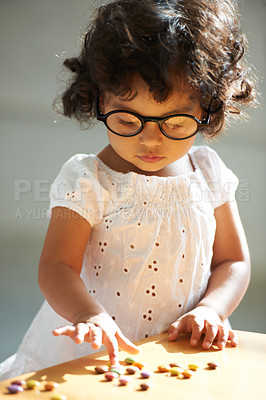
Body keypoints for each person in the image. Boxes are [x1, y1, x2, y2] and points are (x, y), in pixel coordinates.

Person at [0, 0, 258, 380]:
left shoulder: (208, 172)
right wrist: (88, 315)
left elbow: (233, 261)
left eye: (175, 122)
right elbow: (56, 266)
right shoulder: (89, 179)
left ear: (207, 107)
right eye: (126, 119)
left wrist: (212, 310)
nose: (150, 141)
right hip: (95, 353)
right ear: (100, 98)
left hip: (182, 350)